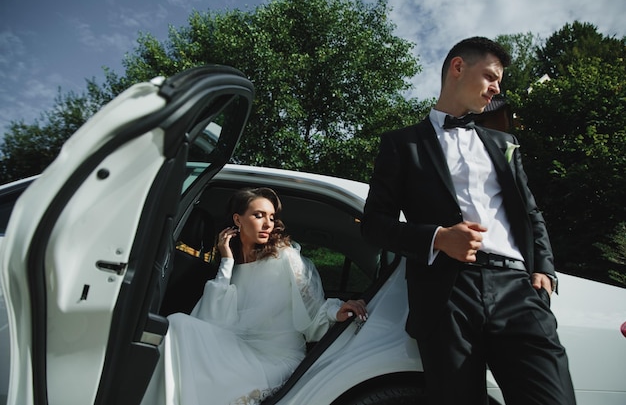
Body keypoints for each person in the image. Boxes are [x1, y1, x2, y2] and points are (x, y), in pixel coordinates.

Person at [361, 37, 576, 405]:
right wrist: (438, 238)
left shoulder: (502, 144)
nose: (496, 89)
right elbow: (374, 224)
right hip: (446, 296)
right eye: (491, 77)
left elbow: (530, 212)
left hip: (516, 288)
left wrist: (544, 270)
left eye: (499, 83)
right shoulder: (401, 144)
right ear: (458, 67)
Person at [142, 187, 367, 405]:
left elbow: (313, 312)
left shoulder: (286, 257)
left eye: (271, 216)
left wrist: (336, 312)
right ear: (238, 220)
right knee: (178, 323)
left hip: (278, 358)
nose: (268, 223)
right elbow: (212, 318)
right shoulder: (233, 266)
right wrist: (227, 260)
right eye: (259, 215)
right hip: (239, 348)